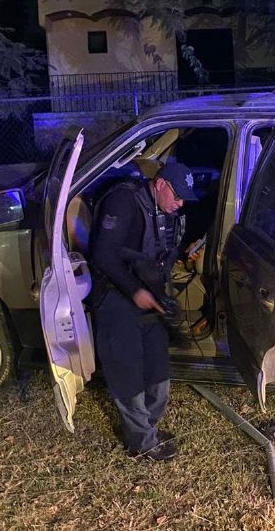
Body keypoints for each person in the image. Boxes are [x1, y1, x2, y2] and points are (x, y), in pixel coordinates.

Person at [88, 162, 198, 461]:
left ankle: (150, 425)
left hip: (148, 293)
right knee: (128, 370)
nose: (181, 202)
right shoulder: (123, 201)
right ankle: (141, 441)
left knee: (158, 365)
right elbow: (103, 254)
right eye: (177, 194)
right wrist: (134, 291)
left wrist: (160, 293)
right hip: (116, 292)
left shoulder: (168, 213)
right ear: (160, 184)